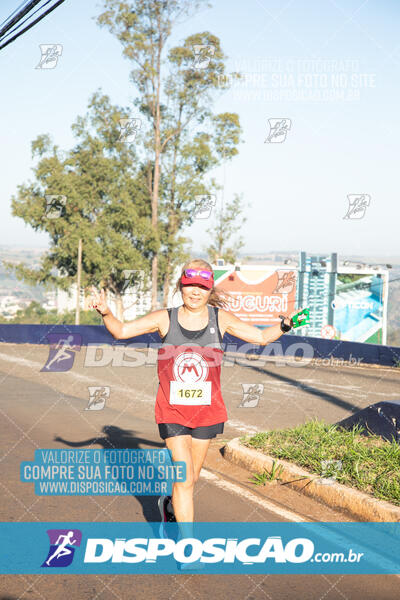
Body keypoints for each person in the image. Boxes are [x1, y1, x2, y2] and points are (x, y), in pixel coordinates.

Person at [90, 258, 300, 566]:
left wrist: (284, 325)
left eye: (202, 286)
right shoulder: (166, 318)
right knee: (185, 478)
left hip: (207, 412)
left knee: (190, 481)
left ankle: (170, 509)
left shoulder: (220, 319)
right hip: (171, 410)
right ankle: (188, 551)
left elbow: (259, 337)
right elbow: (121, 331)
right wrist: (107, 312)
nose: (195, 292)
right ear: (181, 285)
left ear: (209, 288)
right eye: (190, 285)